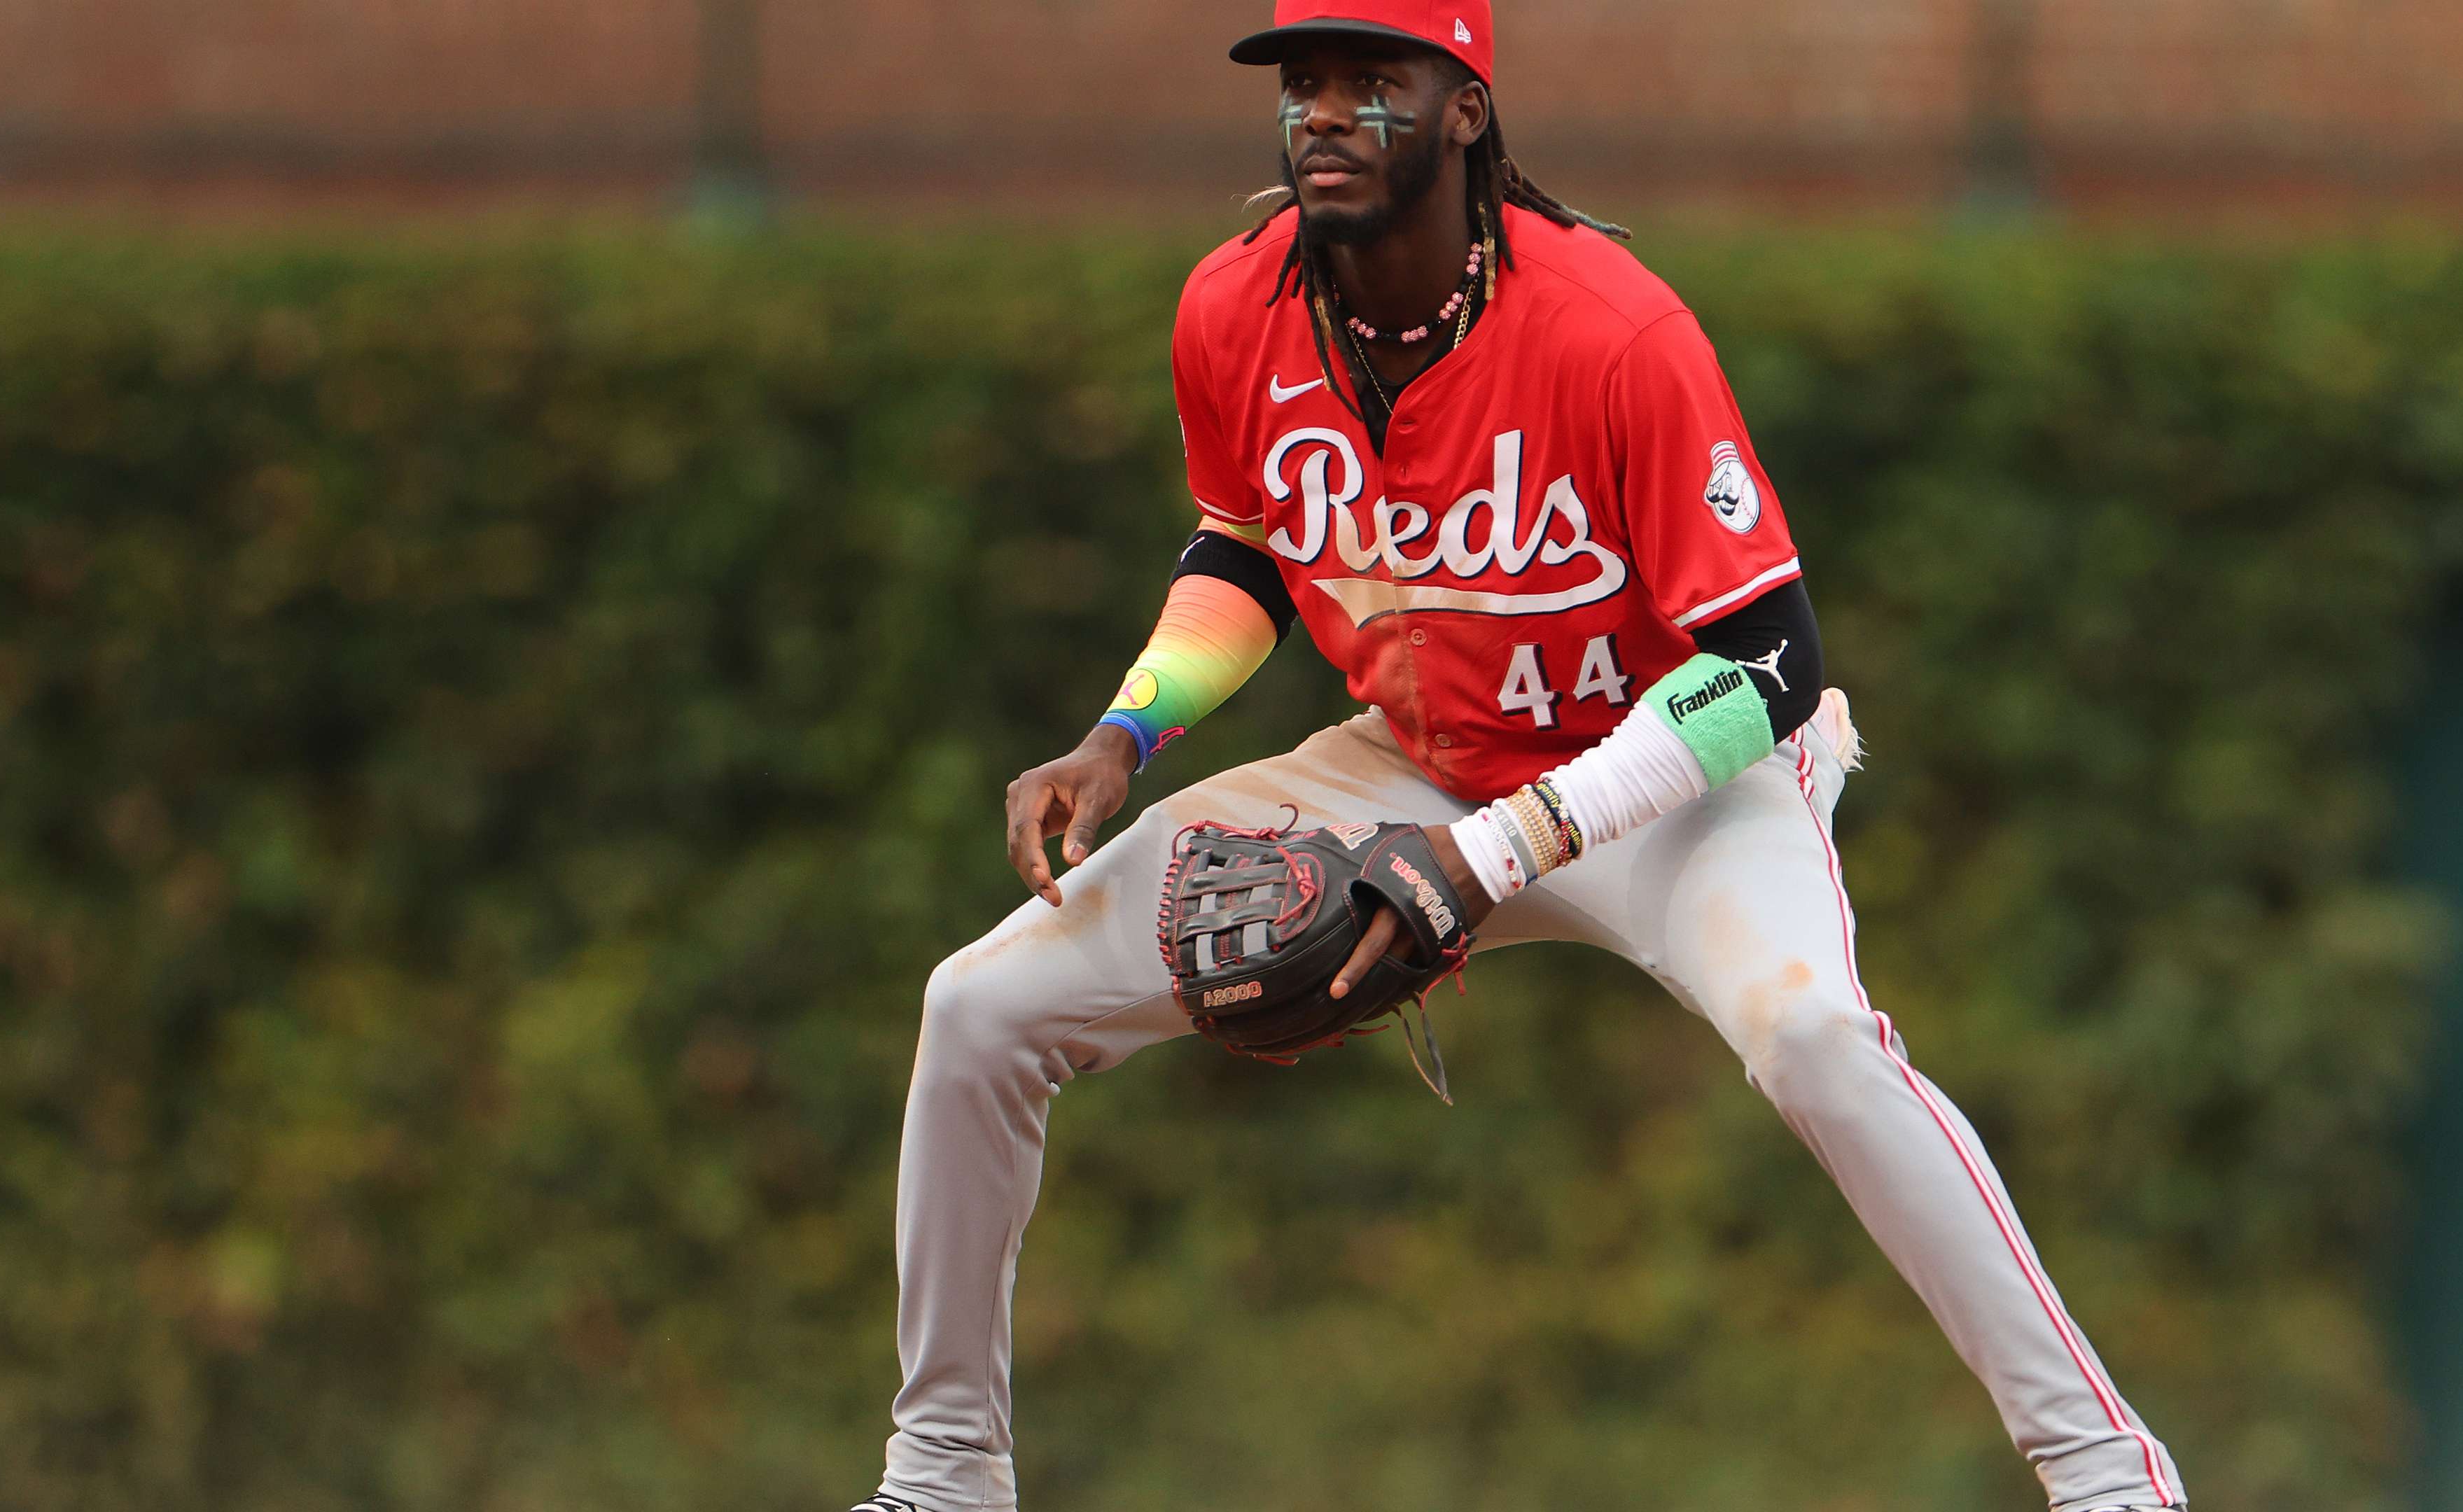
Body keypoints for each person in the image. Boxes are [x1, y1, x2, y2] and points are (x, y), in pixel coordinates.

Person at [854, 4, 2188, 1508]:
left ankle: (2111, 1478)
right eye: (1305, 82)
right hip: (1414, 755)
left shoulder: (1614, 329)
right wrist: (1126, 732)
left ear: (1466, 109)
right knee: (979, 1009)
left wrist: (1496, 853)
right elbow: (1251, 550)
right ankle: (943, 1475)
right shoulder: (1235, 307)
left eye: (1374, 80)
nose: (1326, 113)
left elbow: (1770, 664)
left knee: (1816, 1038)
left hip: (1669, 770)